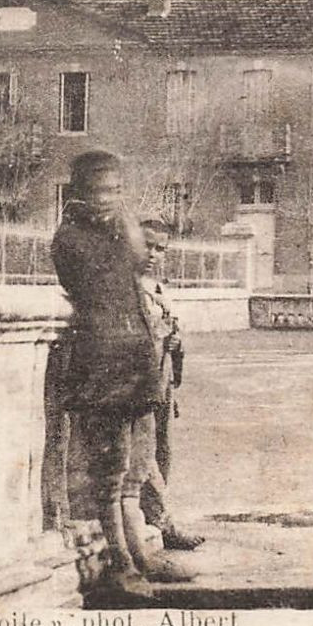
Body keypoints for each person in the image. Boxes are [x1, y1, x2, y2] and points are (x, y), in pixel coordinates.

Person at [52, 151, 194, 585]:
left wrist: (122, 222)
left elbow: (134, 258)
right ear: (77, 193)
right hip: (102, 362)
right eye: (99, 191)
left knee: (135, 470)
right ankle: (121, 566)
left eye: (116, 191)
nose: (109, 200)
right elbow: (107, 277)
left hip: (134, 359)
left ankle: (141, 556)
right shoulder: (70, 238)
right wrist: (119, 226)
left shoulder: (117, 229)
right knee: (109, 473)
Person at [136, 219, 206, 551]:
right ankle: (164, 525)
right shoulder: (126, 287)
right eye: (146, 245)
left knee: (164, 452)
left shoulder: (160, 289)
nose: (152, 254)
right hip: (136, 384)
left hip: (161, 381)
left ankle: (152, 520)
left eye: (159, 248)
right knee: (145, 454)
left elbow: (170, 335)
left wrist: (176, 346)